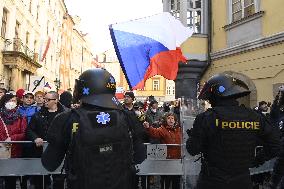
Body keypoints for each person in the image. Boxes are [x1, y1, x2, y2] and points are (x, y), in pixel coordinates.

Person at [41, 68, 146, 189]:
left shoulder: (68, 118)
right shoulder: (127, 117)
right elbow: (140, 156)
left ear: (82, 89)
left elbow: (50, 163)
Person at [186, 73, 280, 189]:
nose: (209, 102)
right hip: (242, 180)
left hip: (212, 181)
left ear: (216, 95)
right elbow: (275, 146)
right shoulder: (255, 117)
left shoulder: (207, 118)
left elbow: (192, 149)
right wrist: (256, 161)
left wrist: (193, 137)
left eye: (210, 98)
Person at [26, 91, 66, 189]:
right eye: (45, 99)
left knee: (59, 179)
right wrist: (35, 137)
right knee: (40, 179)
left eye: (48, 99)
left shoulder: (66, 115)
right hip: (41, 152)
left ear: (56, 100)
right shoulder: (38, 114)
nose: (45, 101)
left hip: (59, 152)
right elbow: (29, 130)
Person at [143, 112, 181, 189]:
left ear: (175, 120)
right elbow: (154, 132)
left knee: (176, 182)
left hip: (177, 160)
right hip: (167, 161)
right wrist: (148, 127)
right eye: (169, 118)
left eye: (172, 118)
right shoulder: (163, 129)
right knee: (166, 181)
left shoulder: (179, 130)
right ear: (165, 120)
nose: (171, 120)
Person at [0, 93, 27, 189]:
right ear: (4, 102)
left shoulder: (21, 117)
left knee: (11, 179)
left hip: (16, 152)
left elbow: (24, 133)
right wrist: (3, 142)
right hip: (1, 151)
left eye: (14, 100)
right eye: (9, 101)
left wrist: (12, 138)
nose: (11, 103)